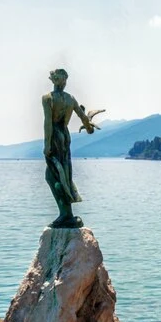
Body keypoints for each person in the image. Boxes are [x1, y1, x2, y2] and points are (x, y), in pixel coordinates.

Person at [42, 69, 104, 228]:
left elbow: (48, 123)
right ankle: (66, 213)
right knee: (64, 174)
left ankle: (65, 214)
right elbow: (85, 120)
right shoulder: (70, 99)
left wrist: (47, 145)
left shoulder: (48, 98)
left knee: (53, 176)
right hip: (65, 137)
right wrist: (89, 126)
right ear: (63, 81)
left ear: (53, 80)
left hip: (55, 136)